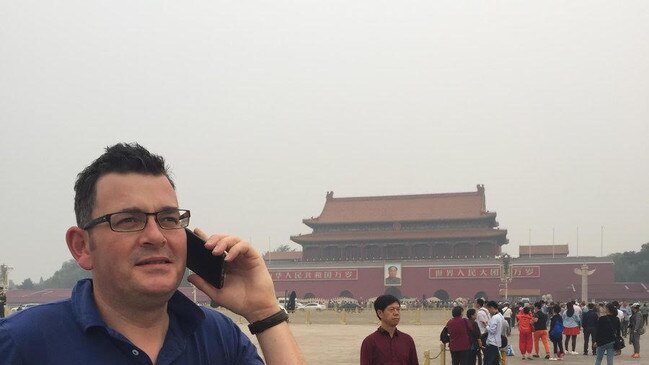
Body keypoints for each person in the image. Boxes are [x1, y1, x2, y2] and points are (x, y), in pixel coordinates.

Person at [0, 143, 305, 365]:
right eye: (129, 220)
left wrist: (264, 313)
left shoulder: (218, 339)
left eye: (169, 219)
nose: (155, 236)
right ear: (82, 246)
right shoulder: (23, 343)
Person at [360, 294, 418, 365]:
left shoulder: (407, 340)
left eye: (398, 309)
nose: (396, 313)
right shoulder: (370, 342)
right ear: (380, 313)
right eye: (391, 309)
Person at [483, 301, 505, 365]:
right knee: (495, 362)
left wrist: (486, 326)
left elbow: (492, 331)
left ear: (492, 308)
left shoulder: (495, 317)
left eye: (488, 309)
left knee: (488, 362)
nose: (488, 311)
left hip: (491, 343)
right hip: (497, 342)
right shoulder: (501, 316)